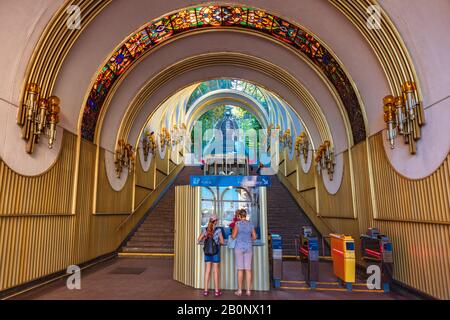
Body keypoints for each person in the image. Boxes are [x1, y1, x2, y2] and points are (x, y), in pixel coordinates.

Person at [231, 209, 257, 296]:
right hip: (248, 247)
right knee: (248, 269)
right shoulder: (251, 224)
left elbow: (233, 236)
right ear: (245, 215)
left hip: (239, 248)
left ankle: (239, 290)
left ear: (239, 216)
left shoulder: (237, 224)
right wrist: (248, 239)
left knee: (240, 269)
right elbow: (254, 237)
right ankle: (248, 291)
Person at [198, 215, 224, 297]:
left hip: (207, 253)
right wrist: (219, 242)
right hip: (215, 252)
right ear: (215, 221)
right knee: (215, 271)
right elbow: (222, 242)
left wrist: (205, 238)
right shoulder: (218, 230)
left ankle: (205, 291)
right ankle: (216, 291)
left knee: (207, 271)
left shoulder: (205, 229)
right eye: (217, 220)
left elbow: (199, 239)